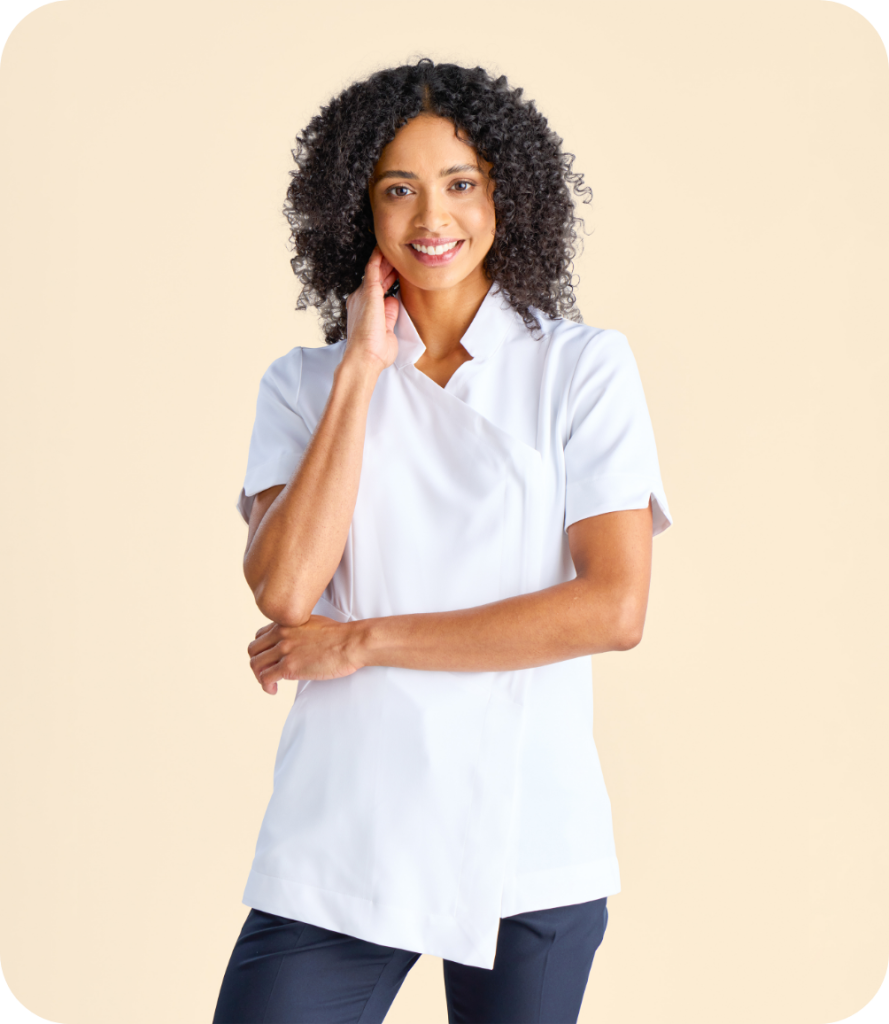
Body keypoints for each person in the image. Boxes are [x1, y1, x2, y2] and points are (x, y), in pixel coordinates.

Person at [213, 58, 672, 1024]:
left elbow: (613, 608)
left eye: (461, 183)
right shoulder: (301, 384)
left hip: (527, 833)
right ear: (356, 208)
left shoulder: (580, 368)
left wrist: (362, 640)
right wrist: (360, 372)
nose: (434, 217)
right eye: (398, 189)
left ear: (507, 193)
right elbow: (288, 591)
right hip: (346, 826)